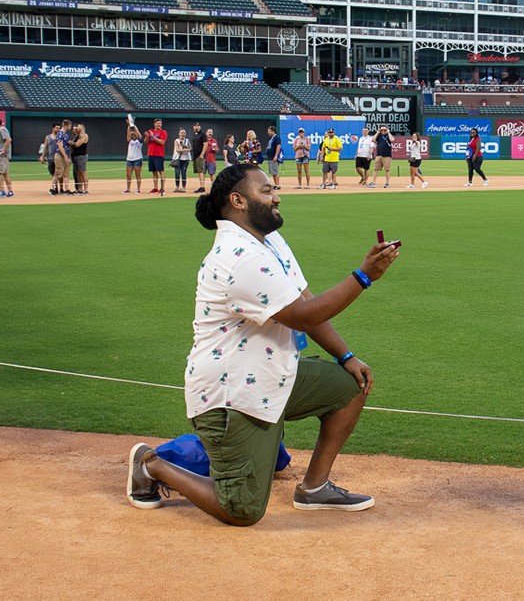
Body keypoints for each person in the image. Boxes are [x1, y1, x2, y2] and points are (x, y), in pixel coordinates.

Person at [125, 163, 400, 525]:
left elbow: (305, 299)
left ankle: (314, 488)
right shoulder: (238, 257)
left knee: (352, 385)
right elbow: (302, 315)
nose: (277, 196)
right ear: (237, 200)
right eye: (267, 191)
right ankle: (152, 464)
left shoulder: (268, 240)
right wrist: (364, 276)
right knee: (241, 510)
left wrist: (346, 356)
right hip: (232, 393)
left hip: (271, 375)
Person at [145, 118, 168, 194]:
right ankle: (155, 188)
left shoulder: (163, 132)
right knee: (154, 172)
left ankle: (162, 188)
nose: (159, 125)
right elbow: (146, 142)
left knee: (161, 171)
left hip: (159, 154)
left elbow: (162, 142)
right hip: (151, 154)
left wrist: (153, 137)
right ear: (154, 124)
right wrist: (148, 136)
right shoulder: (150, 131)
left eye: (160, 123)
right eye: (158, 123)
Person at [70, 123, 90, 194]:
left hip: (81, 156)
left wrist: (70, 142)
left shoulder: (84, 135)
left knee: (83, 172)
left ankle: (86, 189)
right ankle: (79, 189)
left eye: (78, 127)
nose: (76, 129)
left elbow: (77, 144)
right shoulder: (77, 136)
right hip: (75, 156)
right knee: (77, 173)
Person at [124, 120, 143, 194]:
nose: (133, 135)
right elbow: (128, 134)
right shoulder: (130, 141)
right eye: (132, 135)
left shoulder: (139, 142)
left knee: (137, 175)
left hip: (137, 159)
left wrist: (133, 126)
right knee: (128, 175)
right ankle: (128, 189)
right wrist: (129, 125)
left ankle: (138, 189)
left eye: (134, 134)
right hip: (129, 159)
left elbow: (139, 135)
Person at [55, 119, 73, 195]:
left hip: (66, 155)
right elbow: (60, 146)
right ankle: (53, 188)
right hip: (60, 155)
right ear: (65, 126)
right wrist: (65, 156)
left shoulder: (66, 134)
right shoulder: (60, 134)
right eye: (69, 125)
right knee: (59, 173)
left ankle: (66, 189)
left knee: (66, 174)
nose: (70, 127)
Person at [41, 124, 59, 195]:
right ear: (53, 128)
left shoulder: (60, 137)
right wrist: (43, 156)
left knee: (57, 173)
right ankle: (56, 188)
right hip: (50, 158)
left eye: (59, 128)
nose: (58, 129)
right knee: (53, 174)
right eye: (56, 128)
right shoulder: (48, 137)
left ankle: (58, 188)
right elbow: (45, 147)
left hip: (58, 157)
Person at [173, 128, 192, 193]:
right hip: (178, 159)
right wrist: (186, 150)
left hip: (185, 159)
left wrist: (184, 146)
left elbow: (190, 148)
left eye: (184, 133)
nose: (183, 134)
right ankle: (177, 187)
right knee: (177, 173)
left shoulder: (187, 140)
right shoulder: (176, 140)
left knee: (183, 173)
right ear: (179, 133)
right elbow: (177, 150)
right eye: (181, 133)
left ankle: (183, 188)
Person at [265, 125, 282, 190]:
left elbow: (278, 146)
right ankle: (275, 185)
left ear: (273, 131)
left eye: (269, 131)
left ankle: (277, 185)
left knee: (275, 171)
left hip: (273, 157)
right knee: (273, 172)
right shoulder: (272, 139)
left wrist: (276, 156)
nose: (268, 132)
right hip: (270, 157)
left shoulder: (276, 138)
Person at [191, 122, 206, 193]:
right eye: (195, 126)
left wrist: (202, 154)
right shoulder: (194, 135)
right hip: (195, 155)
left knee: (201, 171)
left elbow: (205, 144)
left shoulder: (202, 134)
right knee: (198, 172)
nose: (196, 127)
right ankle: (201, 186)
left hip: (199, 156)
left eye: (198, 126)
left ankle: (202, 187)